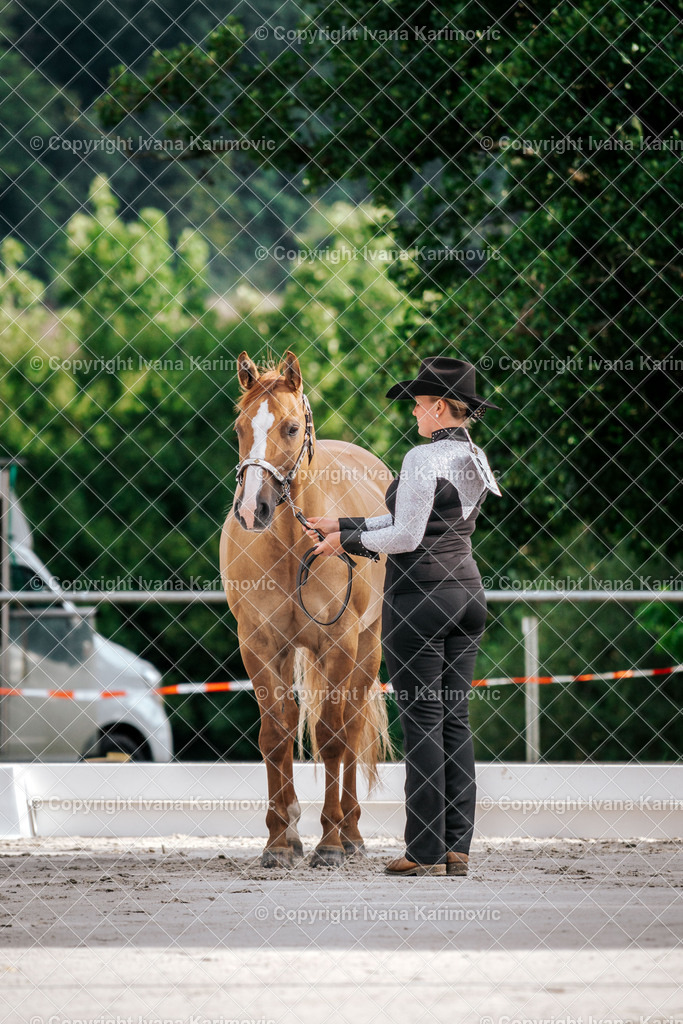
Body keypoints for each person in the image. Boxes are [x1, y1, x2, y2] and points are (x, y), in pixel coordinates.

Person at [304, 356, 501, 877]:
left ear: (439, 407)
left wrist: (343, 541)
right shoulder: (476, 457)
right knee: (455, 720)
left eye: (418, 404)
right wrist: (343, 520)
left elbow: (407, 536)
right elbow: (416, 518)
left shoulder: (419, 458)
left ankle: (423, 851)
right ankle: (456, 847)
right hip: (468, 594)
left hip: (419, 598)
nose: (414, 414)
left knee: (422, 723)